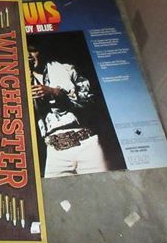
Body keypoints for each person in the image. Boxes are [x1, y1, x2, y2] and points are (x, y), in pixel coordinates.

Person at [27, 42, 108, 177]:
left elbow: (91, 102)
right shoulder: (20, 83)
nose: (28, 55)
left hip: (86, 144)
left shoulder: (67, 69)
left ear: (40, 52)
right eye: (23, 52)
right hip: (54, 151)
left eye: (31, 50)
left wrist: (55, 92)